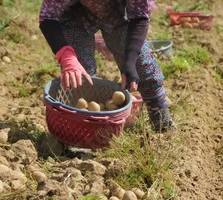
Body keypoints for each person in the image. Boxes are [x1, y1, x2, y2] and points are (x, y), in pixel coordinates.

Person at [38, 0, 176, 132]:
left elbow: (139, 16)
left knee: (143, 68)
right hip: (74, 14)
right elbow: (48, 17)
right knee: (80, 77)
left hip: (118, 12)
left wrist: (130, 60)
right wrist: (67, 57)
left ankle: (162, 125)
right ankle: (83, 133)